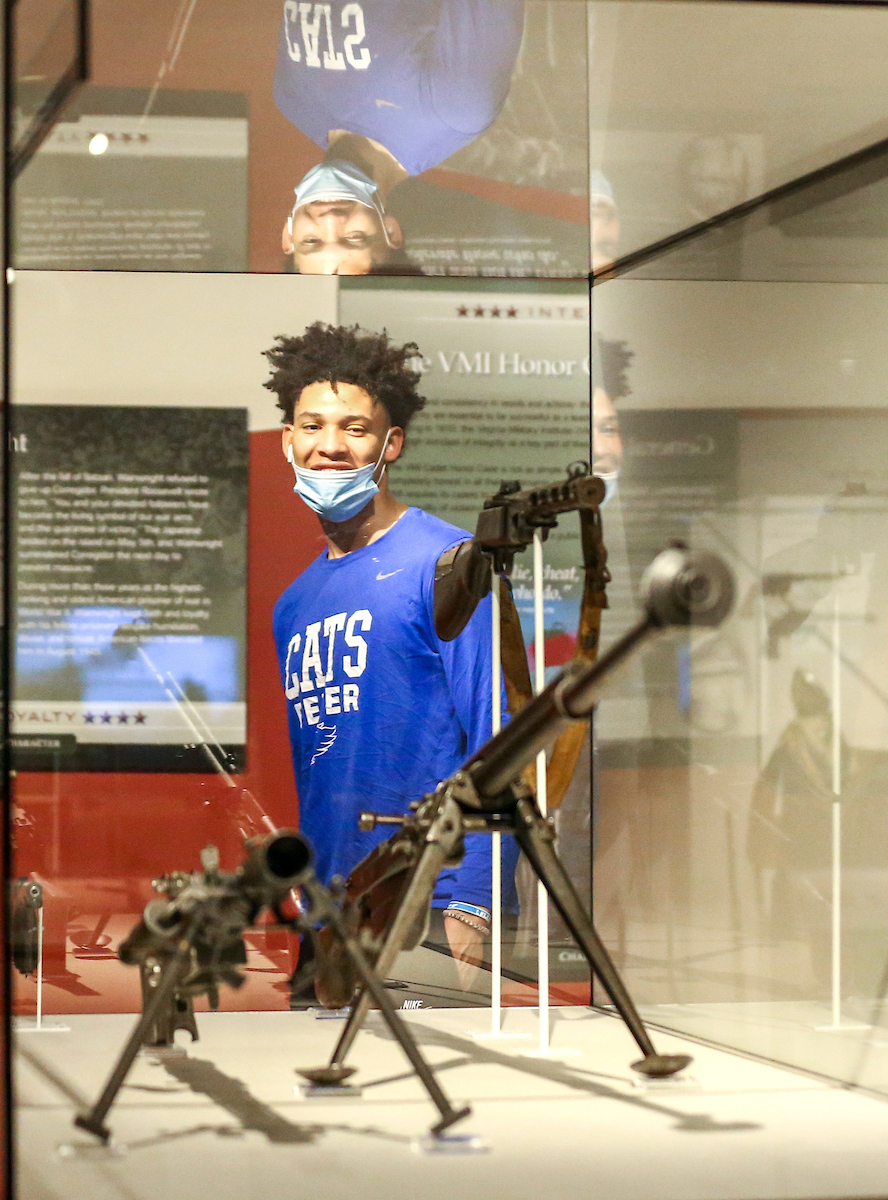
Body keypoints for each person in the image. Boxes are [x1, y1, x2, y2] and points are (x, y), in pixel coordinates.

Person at [266, 321, 507, 990]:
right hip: (331, 917)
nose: (330, 447)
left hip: (425, 907)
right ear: (289, 440)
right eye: (312, 427)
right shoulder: (293, 603)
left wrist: (474, 901)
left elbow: (498, 736)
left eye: (355, 428)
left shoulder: (448, 564)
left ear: (390, 443)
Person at [274, 0, 525, 274]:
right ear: (391, 232)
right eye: (355, 237)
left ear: (289, 236)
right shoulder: (459, 106)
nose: (331, 219)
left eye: (311, 241)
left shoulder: (292, 100)